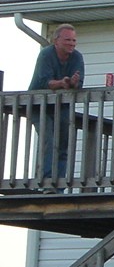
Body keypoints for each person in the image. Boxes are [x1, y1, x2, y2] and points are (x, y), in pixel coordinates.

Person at [28, 23, 84, 184]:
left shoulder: (77, 57)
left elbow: (78, 83)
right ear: (56, 41)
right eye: (67, 40)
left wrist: (73, 83)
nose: (71, 43)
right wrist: (62, 82)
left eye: (73, 40)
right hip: (39, 105)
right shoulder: (46, 54)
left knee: (63, 144)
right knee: (48, 141)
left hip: (62, 105)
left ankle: (58, 184)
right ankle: (47, 182)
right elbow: (44, 82)